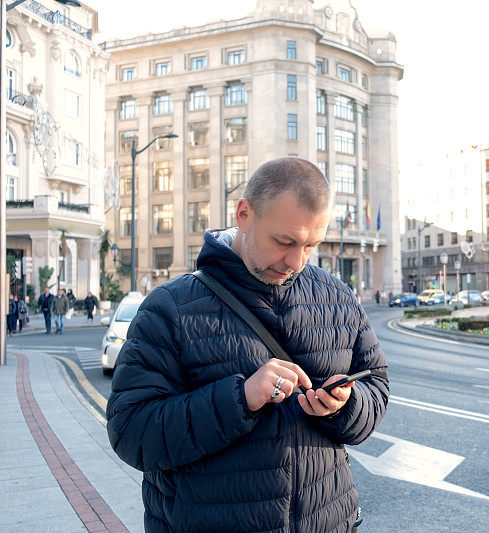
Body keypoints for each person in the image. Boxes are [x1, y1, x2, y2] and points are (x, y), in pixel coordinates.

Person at [106, 157, 388, 532]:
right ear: (244, 214)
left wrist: (343, 405)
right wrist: (240, 398)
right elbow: (131, 432)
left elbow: (377, 389)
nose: (296, 261)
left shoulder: (335, 296)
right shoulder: (169, 308)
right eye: (284, 242)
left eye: (311, 245)